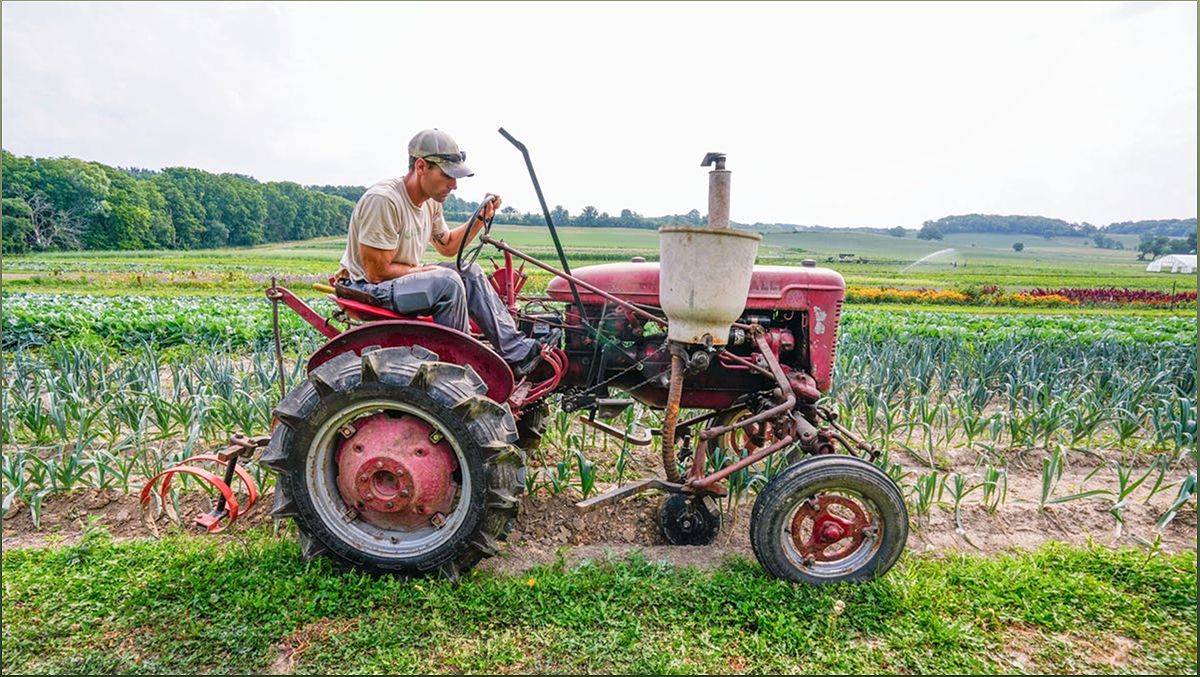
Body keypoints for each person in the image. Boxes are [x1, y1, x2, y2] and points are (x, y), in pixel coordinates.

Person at [337, 128, 555, 377]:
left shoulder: (430, 201)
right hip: (367, 288)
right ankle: (459, 370)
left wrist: (480, 218)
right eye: (447, 176)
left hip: (394, 280)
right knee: (447, 282)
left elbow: (448, 245)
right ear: (421, 167)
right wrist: (425, 270)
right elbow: (377, 273)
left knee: (468, 272)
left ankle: (517, 353)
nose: (454, 185)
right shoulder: (385, 201)